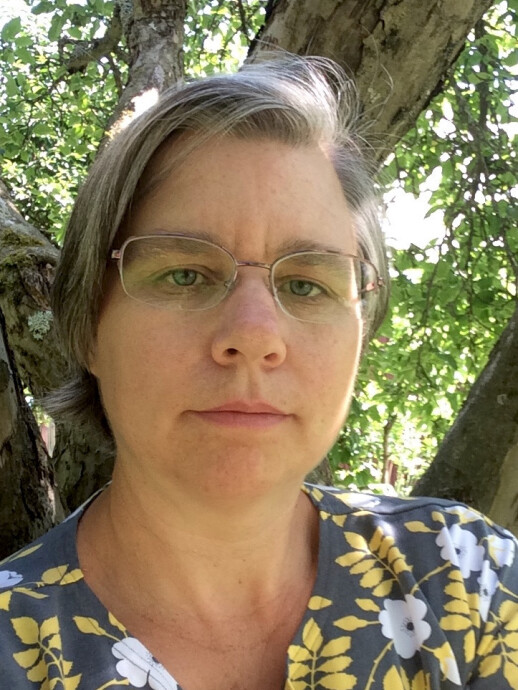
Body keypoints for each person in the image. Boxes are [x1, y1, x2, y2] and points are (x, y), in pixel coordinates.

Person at [0, 55, 517, 690]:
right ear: (88, 326)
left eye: (306, 284)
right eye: (184, 274)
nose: (254, 336)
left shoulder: (468, 584)